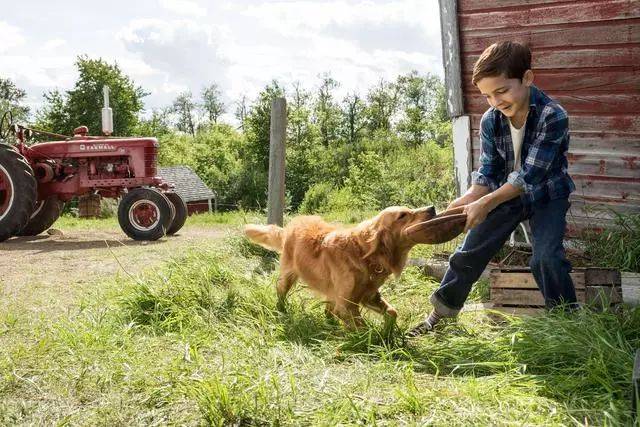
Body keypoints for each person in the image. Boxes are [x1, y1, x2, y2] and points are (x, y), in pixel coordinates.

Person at [409, 41, 577, 336]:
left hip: (547, 194)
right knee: (469, 251)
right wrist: (459, 207)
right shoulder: (490, 120)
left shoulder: (553, 116)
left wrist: (485, 204)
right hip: (506, 195)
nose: (496, 101)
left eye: (501, 90)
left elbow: (529, 176)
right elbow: (487, 174)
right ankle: (442, 314)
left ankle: (566, 323)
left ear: (527, 78)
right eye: (487, 95)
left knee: (546, 258)